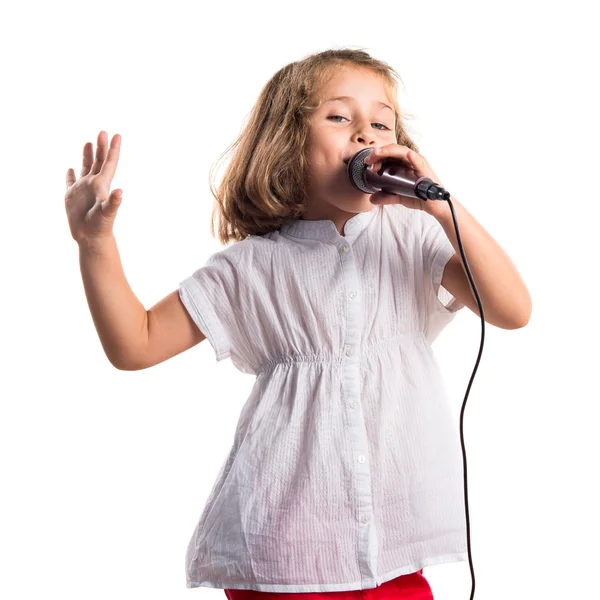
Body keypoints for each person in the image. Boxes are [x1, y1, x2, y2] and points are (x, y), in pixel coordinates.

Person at [64, 48, 531, 600]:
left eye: (381, 123)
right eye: (339, 117)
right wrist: (95, 244)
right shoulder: (250, 267)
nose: (365, 134)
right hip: (285, 551)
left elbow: (512, 309)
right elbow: (135, 344)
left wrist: (438, 204)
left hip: (395, 547)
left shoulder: (415, 240)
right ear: (287, 142)